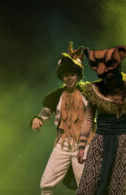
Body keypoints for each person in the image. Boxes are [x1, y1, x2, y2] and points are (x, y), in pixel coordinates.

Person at [76, 46, 126, 194]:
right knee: (88, 186)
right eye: (104, 76)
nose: (107, 78)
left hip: (123, 142)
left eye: (110, 74)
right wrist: (82, 147)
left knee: (119, 187)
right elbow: (89, 118)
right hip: (100, 142)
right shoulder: (95, 90)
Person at [31, 42, 94, 195]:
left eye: (72, 74)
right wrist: (37, 119)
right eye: (66, 75)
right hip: (62, 145)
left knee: (86, 188)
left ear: (78, 75)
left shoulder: (89, 92)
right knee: (46, 185)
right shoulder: (56, 95)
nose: (68, 78)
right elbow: (45, 112)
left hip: (84, 145)